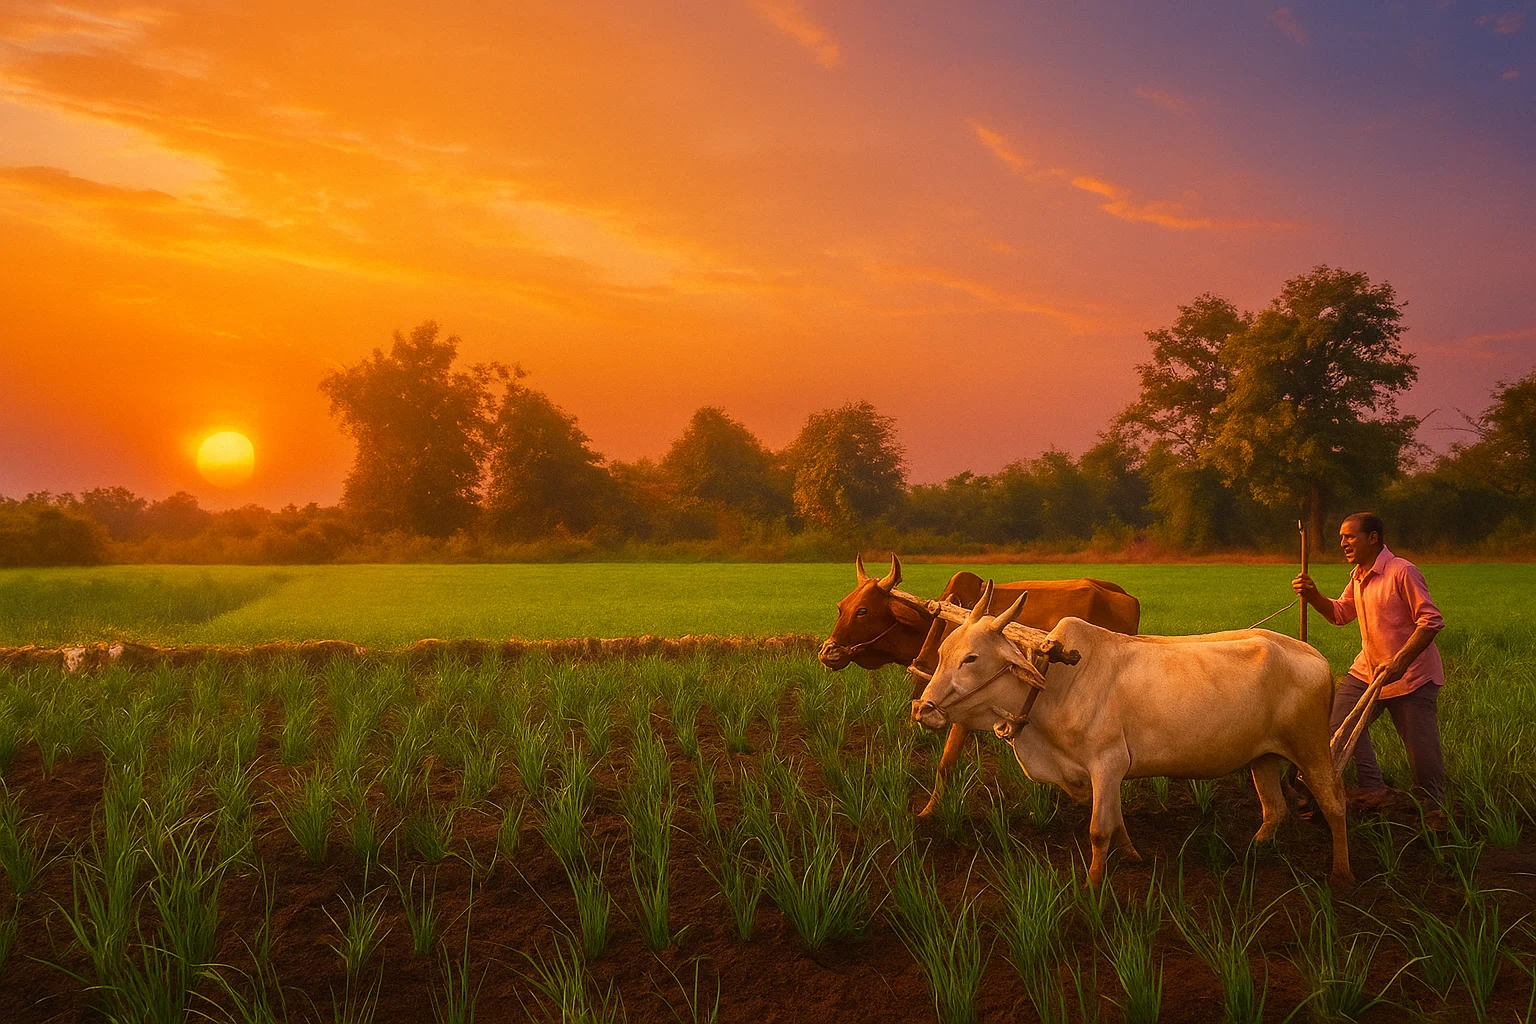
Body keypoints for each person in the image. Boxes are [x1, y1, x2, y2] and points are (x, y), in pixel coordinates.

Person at [1293, 512, 1447, 826]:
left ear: (1373, 538)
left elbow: (1430, 621)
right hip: (1368, 672)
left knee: (1422, 752)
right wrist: (1313, 596)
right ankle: (1373, 788)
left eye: (1349, 536)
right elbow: (1339, 613)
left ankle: (1434, 813)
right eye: (1341, 537)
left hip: (1412, 676)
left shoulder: (1402, 572)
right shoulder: (1358, 576)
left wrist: (1401, 661)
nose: (1343, 543)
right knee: (1338, 725)